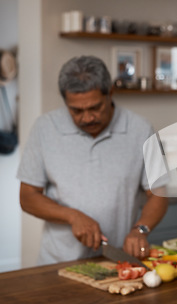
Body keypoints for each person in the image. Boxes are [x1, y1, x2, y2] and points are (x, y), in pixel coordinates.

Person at [17, 55, 168, 265]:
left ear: (110, 94)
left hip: (117, 263)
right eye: (76, 111)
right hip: (57, 263)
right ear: (65, 101)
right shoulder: (44, 129)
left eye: (95, 108)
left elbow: (159, 193)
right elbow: (27, 196)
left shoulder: (141, 129)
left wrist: (140, 230)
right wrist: (72, 216)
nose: (87, 118)